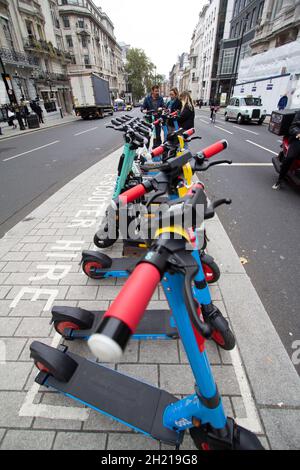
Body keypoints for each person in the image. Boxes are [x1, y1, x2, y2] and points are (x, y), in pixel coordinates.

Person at [272, 109, 300, 190]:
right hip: (297, 139)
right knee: (290, 157)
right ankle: (280, 180)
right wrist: (298, 133)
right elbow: (293, 126)